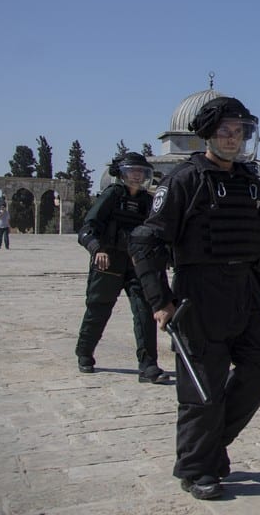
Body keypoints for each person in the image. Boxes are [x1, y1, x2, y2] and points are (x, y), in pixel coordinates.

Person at [129, 96, 260, 500]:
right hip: (199, 296)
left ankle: (212, 445)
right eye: (224, 132)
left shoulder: (250, 182)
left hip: (244, 294)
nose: (232, 139)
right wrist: (160, 300)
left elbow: (259, 239)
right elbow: (145, 242)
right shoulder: (185, 180)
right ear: (209, 135)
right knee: (202, 389)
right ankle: (196, 468)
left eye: (239, 132)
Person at [75, 152, 168, 383]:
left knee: (145, 312)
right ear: (122, 174)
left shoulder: (148, 201)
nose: (137, 177)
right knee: (99, 308)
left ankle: (148, 366)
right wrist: (98, 249)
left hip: (137, 264)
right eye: (132, 172)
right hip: (109, 262)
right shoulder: (112, 196)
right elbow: (87, 229)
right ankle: (85, 353)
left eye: (141, 172)